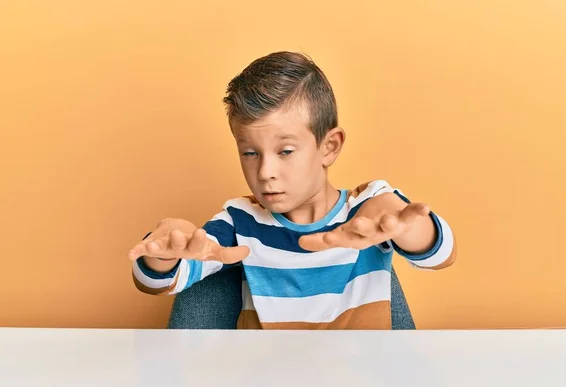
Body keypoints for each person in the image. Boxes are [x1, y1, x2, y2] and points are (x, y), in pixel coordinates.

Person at [128, 51, 457, 329]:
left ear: (329, 147)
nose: (265, 172)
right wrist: (164, 253)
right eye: (250, 152)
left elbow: (441, 255)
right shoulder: (239, 221)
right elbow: (155, 283)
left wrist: (407, 228)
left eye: (285, 152)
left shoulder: (367, 208)